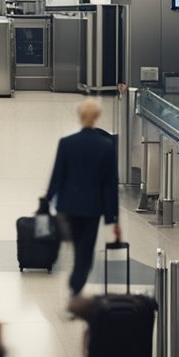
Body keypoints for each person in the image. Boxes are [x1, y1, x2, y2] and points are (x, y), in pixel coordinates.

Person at [45, 98, 120, 297]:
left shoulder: (67, 143)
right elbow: (110, 184)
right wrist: (113, 218)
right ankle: (75, 287)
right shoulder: (106, 146)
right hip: (92, 208)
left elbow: (57, 176)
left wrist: (46, 201)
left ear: (80, 116)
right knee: (85, 252)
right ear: (97, 117)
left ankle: (74, 286)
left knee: (77, 246)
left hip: (69, 206)